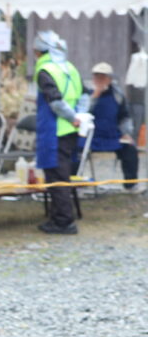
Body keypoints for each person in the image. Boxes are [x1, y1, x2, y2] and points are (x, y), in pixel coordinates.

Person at [33, 30, 83, 234]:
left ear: (39, 51)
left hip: (55, 131)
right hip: (71, 130)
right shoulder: (69, 68)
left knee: (57, 177)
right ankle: (59, 216)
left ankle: (63, 220)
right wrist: (80, 117)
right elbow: (84, 94)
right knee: (62, 175)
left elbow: (55, 101)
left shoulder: (45, 70)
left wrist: (73, 117)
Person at [82, 61, 140, 191]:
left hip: (112, 136)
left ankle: (131, 184)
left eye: (103, 77)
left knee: (130, 149)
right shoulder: (86, 92)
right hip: (90, 137)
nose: (100, 80)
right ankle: (74, 186)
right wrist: (95, 96)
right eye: (97, 77)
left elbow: (124, 116)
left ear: (110, 79)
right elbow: (82, 112)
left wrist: (126, 133)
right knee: (74, 152)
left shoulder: (118, 95)